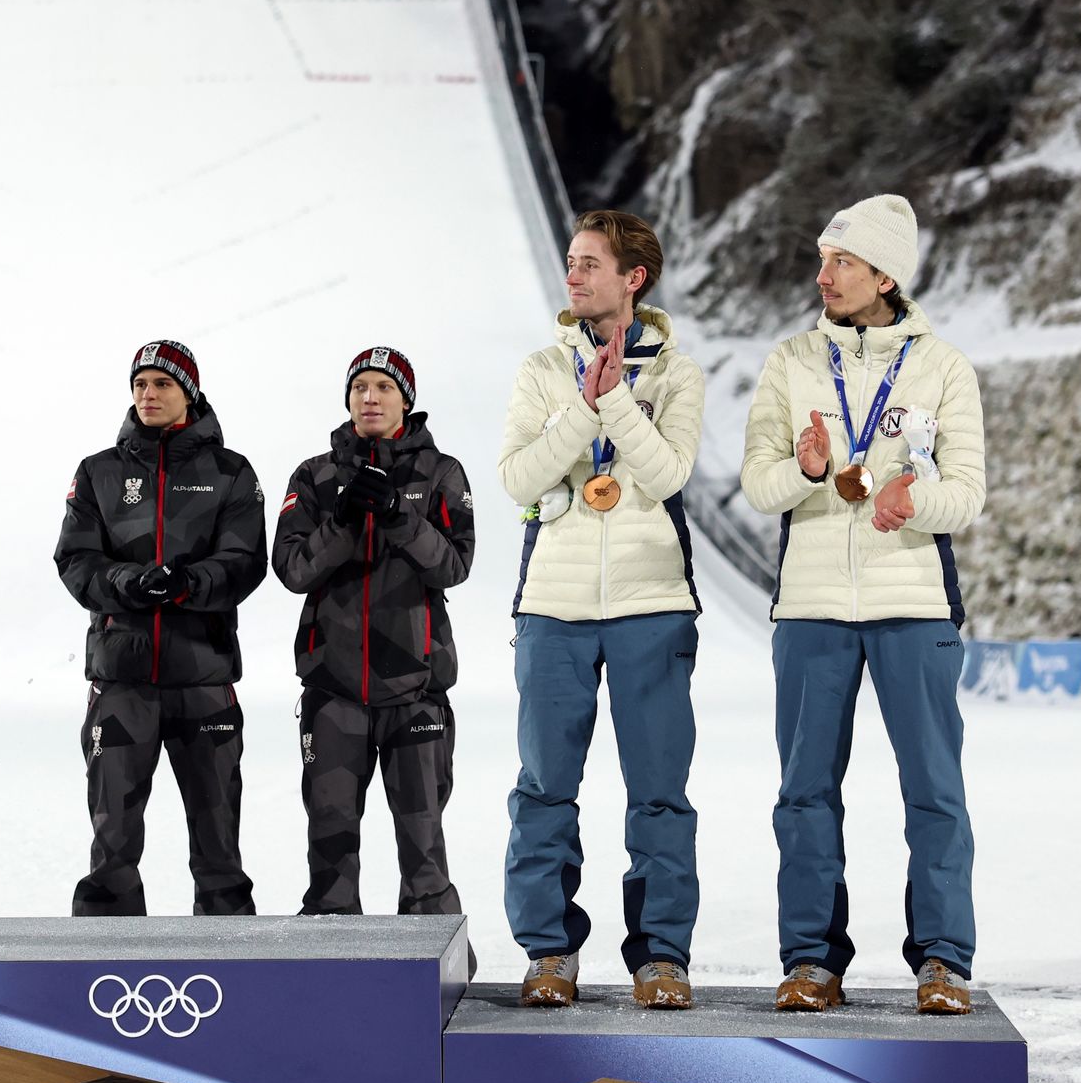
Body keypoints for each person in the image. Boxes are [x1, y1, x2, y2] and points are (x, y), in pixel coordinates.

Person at [741, 194, 987, 1016]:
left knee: (933, 788)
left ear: (886, 274)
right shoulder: (789, 362)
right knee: (804, 792)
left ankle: (943, 960)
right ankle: (811, 961)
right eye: (822, 259)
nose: (825, 275)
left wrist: (913, 503)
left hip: (913, 604)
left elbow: (969, 495)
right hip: (811, 606)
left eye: (843, 262)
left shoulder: (943, 367)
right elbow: (758, 485)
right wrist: (809, 471)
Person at [497, 210, 706, 1010]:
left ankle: (660, 957)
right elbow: (519, 478)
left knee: (658, 789)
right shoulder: (543, 368)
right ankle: (550, 951)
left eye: (590, 264)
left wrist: (616, 401)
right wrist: (582, 408)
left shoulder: (677, 376)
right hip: (553, 604)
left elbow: (665, 475)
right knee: (545, 785)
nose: (574, 275)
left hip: (653, 600)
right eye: (572, 262)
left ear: (633, 279)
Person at [55, 342, 268, 916]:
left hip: (204, 678)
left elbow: (247, 561)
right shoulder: (99, 472)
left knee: (219, 842)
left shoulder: (231, 472)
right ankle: (104, 970)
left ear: (188, 392)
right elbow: (75, 561)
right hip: (121, 685)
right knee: (113, 845)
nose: (147, 394)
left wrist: (186, 583)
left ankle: (230, 964)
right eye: (140, 384)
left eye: (162, 384)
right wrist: (129, 581)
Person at [272, 348, 474, 923]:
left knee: (424, 847)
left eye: (383, 387)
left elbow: (454, 565)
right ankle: (329, 967)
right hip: (334, 693)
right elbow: (291, 569)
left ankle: (433, 971)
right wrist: (342, 520)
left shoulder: (440, 473)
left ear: (405, 400)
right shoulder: (314, 475)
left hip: (416, 691)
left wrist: (397, 516)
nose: (370, 397)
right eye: (360, 386)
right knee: (330, 842)